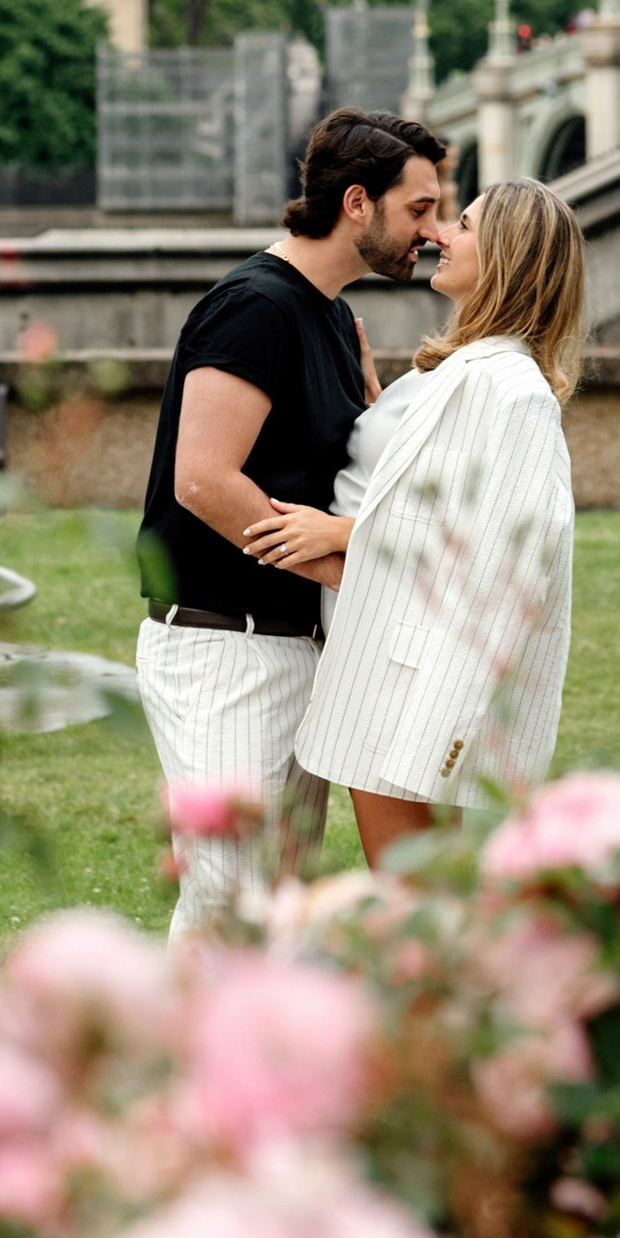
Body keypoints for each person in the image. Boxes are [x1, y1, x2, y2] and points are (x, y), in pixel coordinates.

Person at [133, 107, 446, 933]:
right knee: (230, 899)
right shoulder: (256, 306)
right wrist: (344, 565)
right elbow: (201, 479)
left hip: (292, 648)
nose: (434, 230)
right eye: (418, 209)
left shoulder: (335, 316)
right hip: (223, 651)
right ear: (356, 204)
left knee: (267, 905)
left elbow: (333, 467)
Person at [246, 180, 585, 869]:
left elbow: (503, 554)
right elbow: (421, 488)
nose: (441, 235)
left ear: (506, 257)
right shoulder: (460, 373)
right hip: (381, 658)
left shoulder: (510, 391)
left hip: (414, 680)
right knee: (416, 892)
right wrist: (380, 403)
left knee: (415, 897)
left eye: (462, 225)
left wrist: (345, 536)